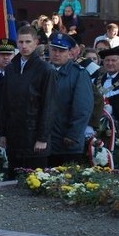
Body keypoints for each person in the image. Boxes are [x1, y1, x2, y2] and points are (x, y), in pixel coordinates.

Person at [0, 27, 57, 177]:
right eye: (21, 42)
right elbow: (5, 103)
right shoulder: (11, 68)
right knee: (12, 181)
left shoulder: (46, 70)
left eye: (28, 42)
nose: (24, 46)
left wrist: (42, 138)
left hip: (35, 138)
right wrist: (2, 133)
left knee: (34, 183)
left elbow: (49, 106)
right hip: (14, 137)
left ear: (36, 43)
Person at [47, 33, 92, 166]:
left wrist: (73, 135)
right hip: (46, 142)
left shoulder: (79, 74)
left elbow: (83, 108)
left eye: (61, 50)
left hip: (67, 142)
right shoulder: (44, 71)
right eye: (54, 50)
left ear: (70, 53)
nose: (57, 54)